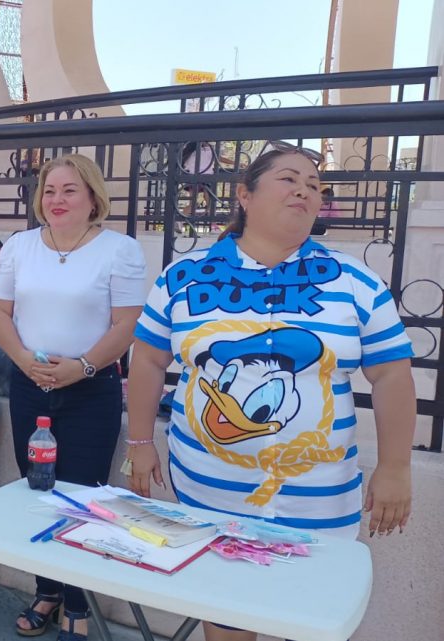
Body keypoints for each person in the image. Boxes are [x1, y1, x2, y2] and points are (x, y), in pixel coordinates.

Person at [126, 143, 414, 641]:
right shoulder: (183, 277)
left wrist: (395, 467)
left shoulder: (355, 281)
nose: (304, 189)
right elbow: (149, 360)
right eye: (288, 179)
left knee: (308, 621)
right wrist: (139, 443)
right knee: (228, 618)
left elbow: (391, 376)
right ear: (244, 195)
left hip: (318, 504)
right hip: (208, 491)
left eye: (314, 186)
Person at [0, 154, 147, 640]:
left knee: (81, 496)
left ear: (93, 196)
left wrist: (82, 367)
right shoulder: (19, 246)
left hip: (90, 389)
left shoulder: (120, 250)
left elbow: (127, 324)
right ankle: (48, 590)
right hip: (30, 385)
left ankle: (77, 601)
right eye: (50, 190)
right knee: (37, 489)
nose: (57, 200)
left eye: (69, 190)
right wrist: (21, 360)